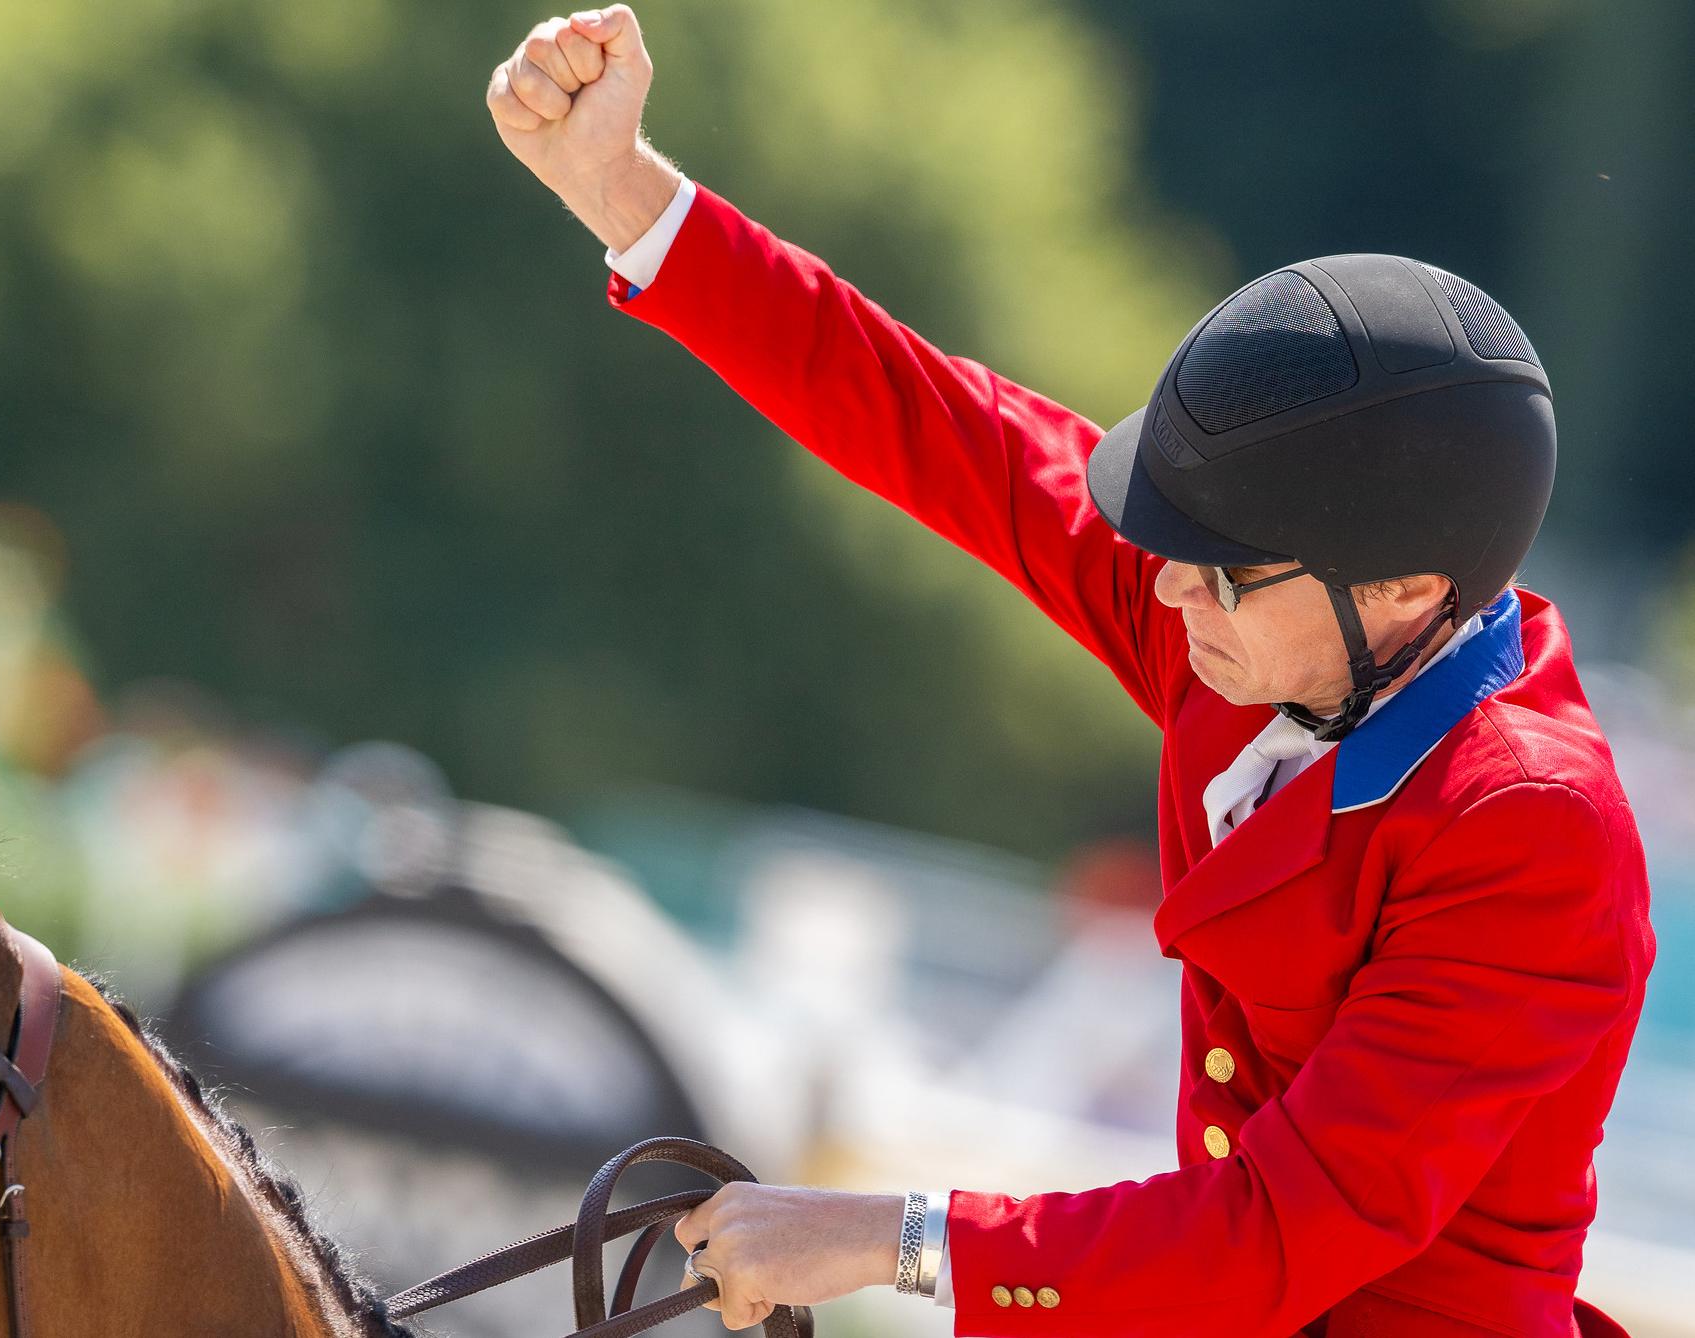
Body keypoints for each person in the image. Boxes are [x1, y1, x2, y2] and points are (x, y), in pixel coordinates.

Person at [486, 9, 1656, 1336]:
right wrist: (626, 192)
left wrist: (888, 1235)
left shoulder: (1533, 832)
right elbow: (937, 426)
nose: (1163, 590)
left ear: (1403, 591)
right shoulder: (1264, 622)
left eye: (1218, 570)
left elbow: (1272, 1233)